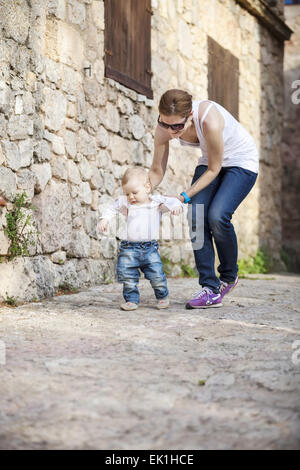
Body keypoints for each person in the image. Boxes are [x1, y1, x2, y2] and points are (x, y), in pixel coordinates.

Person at [149, 89, 259, 309]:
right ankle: (210, 288)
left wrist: (183, 197)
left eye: (177, 127)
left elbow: (214, 169)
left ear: (190, 115)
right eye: (165, 124)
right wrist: (142, 191)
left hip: (240, 162)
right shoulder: (164, 128)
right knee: (196, 217)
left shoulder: (209, 120)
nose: (171, 132)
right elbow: (156, 169)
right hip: (210, 161)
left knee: (217, 216)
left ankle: (228, 275)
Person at [98, 167, 183, 311]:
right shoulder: (126, 202)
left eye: (134, 192)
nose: (131, 196)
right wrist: (104, 219)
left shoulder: (156, 203)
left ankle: (162, 296)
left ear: (147, 188)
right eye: (127, 193)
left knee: (156, 275)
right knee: (128, 276)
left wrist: (177, 206)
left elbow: (173, 201)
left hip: (150, 248)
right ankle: (131, 300)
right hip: (129, 248)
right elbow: (112, 208)